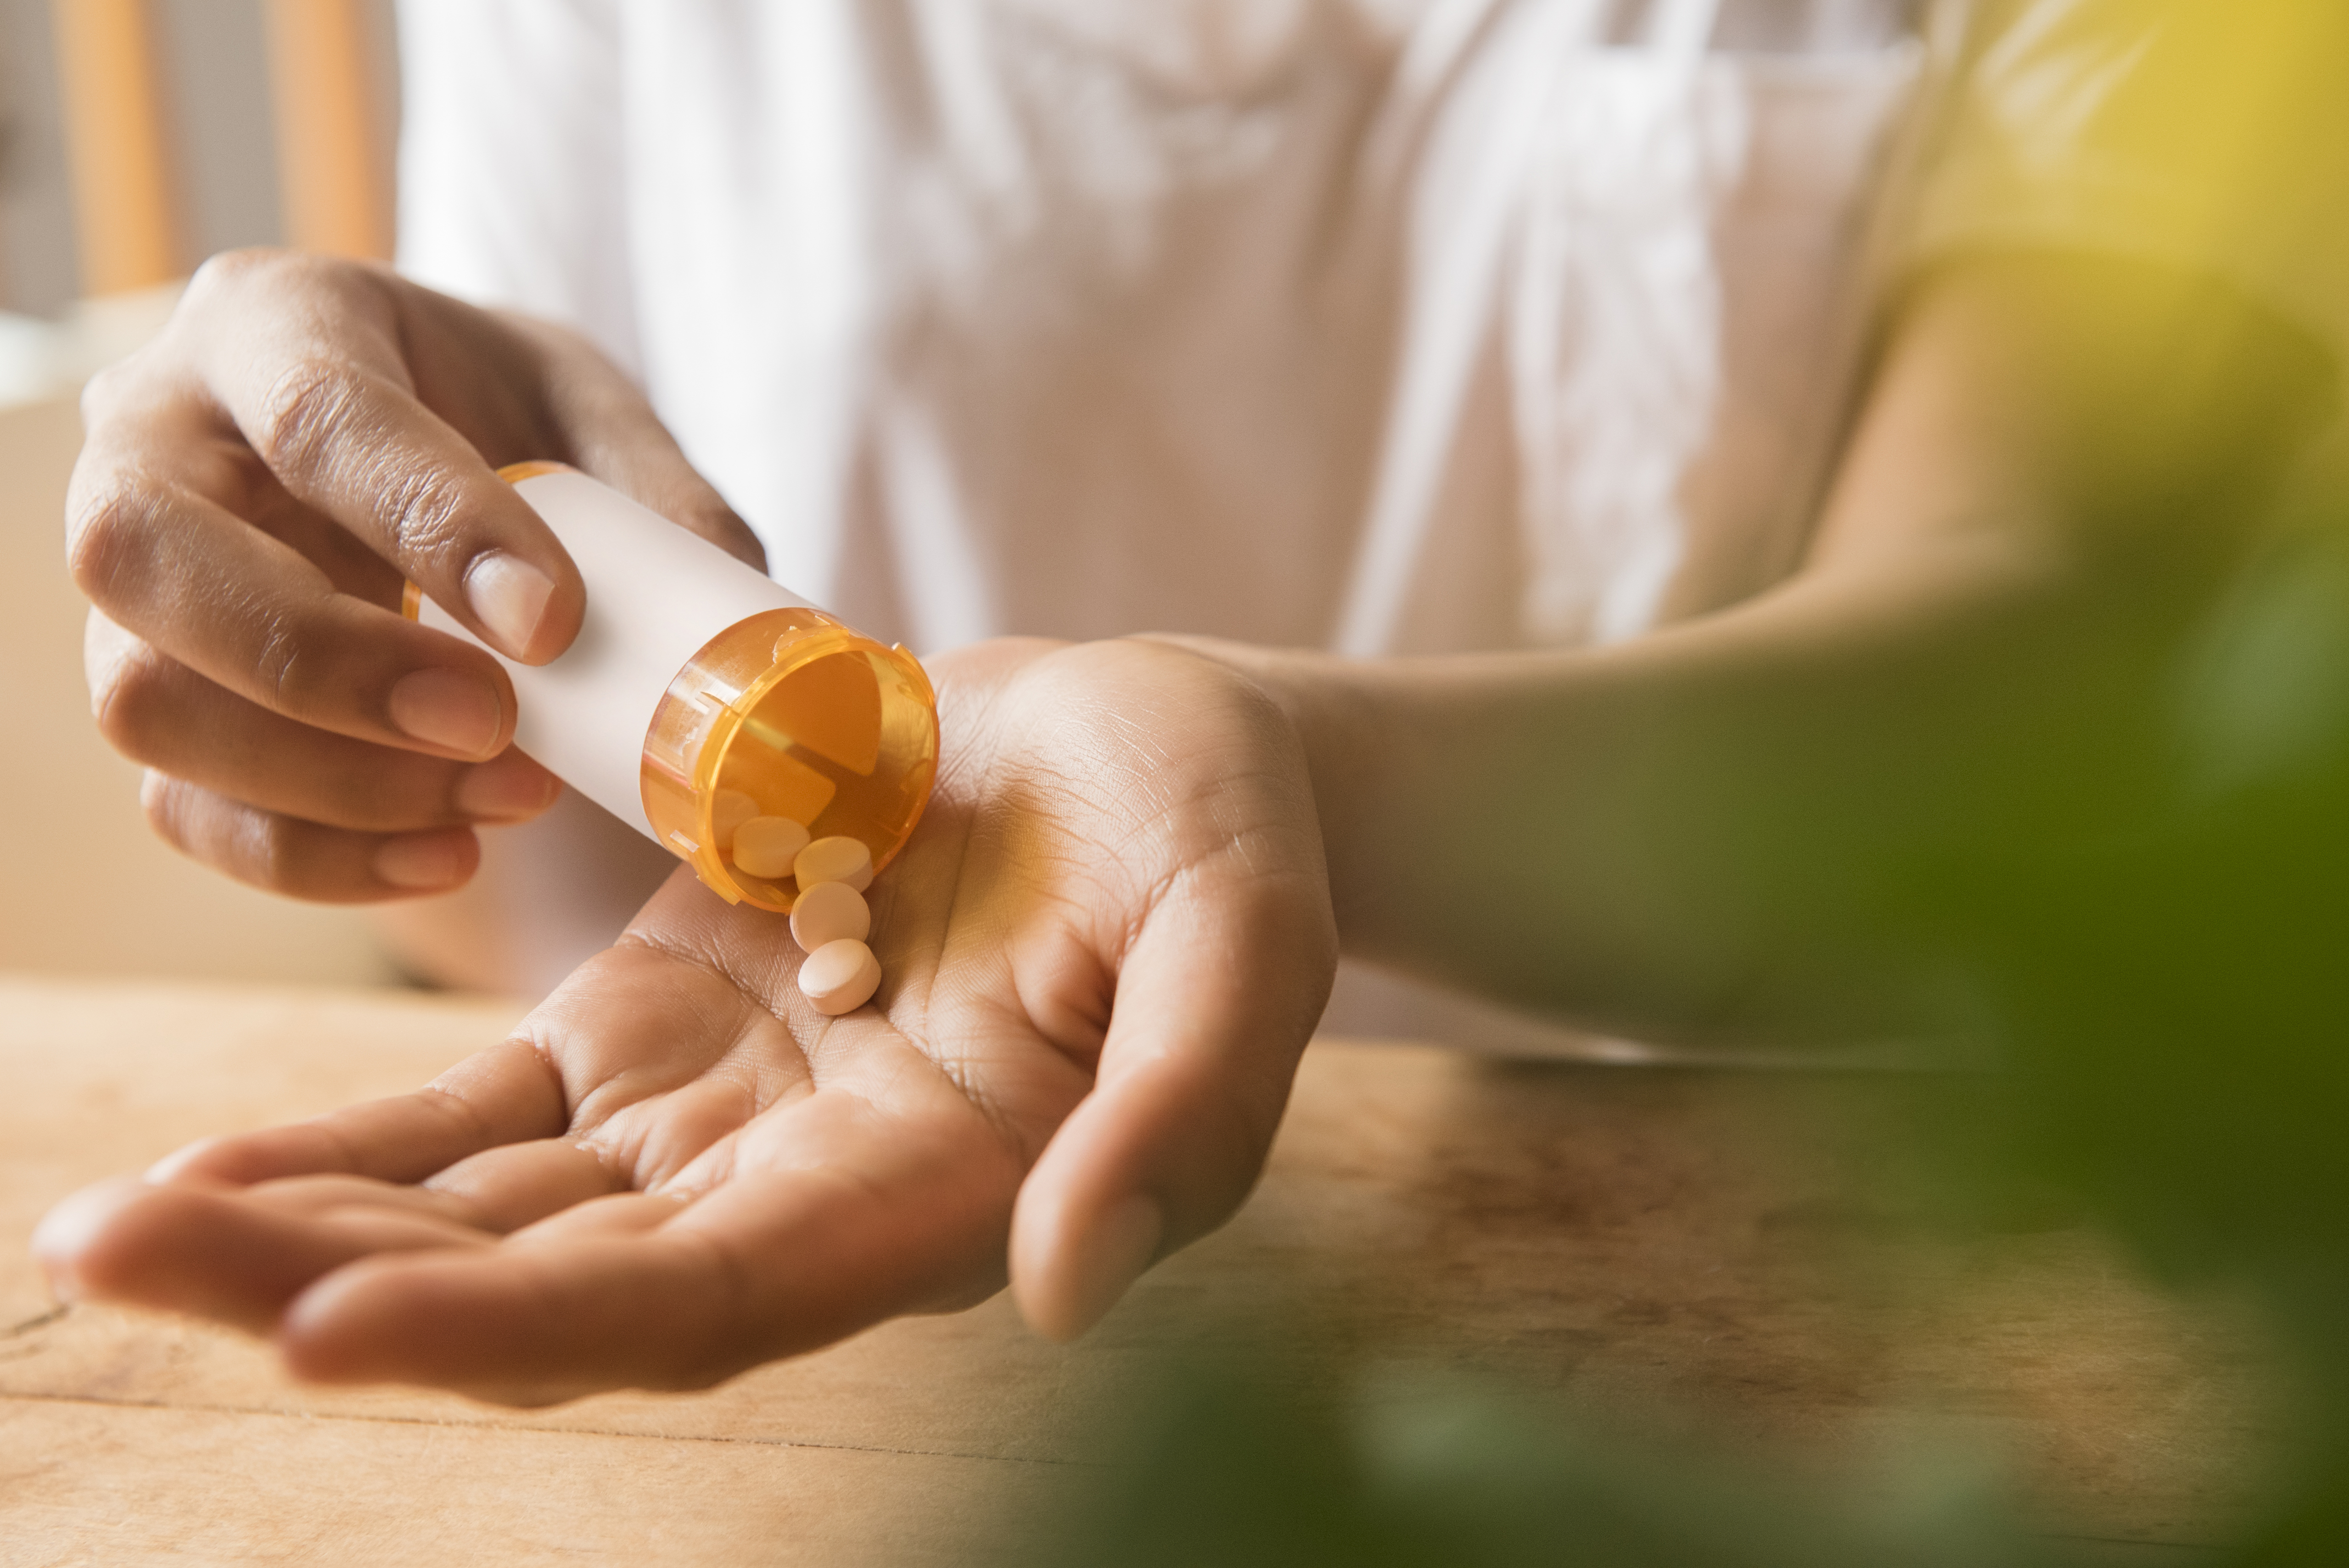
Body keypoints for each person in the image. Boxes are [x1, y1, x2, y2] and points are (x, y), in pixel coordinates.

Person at [33, 0, 2349, 1406]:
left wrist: (1284, 785)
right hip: (930, 1392)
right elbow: (540, 915)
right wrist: (387, 635)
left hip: (1767, 1304)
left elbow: (2037, 660)